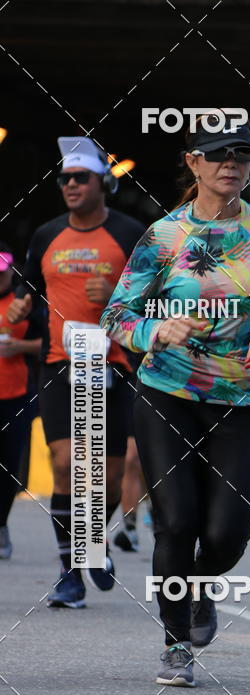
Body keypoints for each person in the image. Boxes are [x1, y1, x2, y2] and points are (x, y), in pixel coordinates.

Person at [100, 112, 250, 687]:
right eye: (217, 154)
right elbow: (117, 315)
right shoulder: (163, 237)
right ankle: (175, 642)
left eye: (242, 154)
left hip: (240, 397)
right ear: (193, 164)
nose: (231, 163)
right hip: (168, 392)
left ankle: (202, 585)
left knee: (229, 535)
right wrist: (155, 330)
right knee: (176, 521)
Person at [8, 137, 145, 606]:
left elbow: (160, 296)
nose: (70, 185)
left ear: (101, 182)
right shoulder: (46, 234)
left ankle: (92, 544)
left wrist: (116, 291)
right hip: (59, 363)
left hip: (115, 364)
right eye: (64, 178)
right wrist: (20, 307)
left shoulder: (130, 233)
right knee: (66, 463)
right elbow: (28, 285)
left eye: (79, 177)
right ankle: (72, 571)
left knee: (107, 474)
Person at [0, 241, 42, 559]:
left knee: (9, 469)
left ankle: (1, 525)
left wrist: (20, 347)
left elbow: (53, 345)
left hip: (16, 397)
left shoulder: (26, 304)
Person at [113, 349, 146, 552]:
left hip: (160, 370)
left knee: (141, 458)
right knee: (130, 458)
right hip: (120, 371)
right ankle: (130, 526)